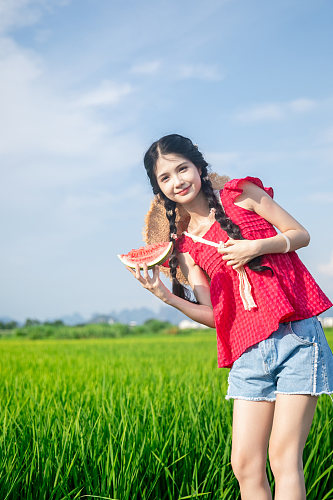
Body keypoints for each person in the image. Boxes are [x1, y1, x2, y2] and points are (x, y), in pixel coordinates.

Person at [125, 133, 333, 500]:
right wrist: (165, 297)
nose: (178, 181)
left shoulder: (242, 193)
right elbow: (214, 315)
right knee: (245, 465)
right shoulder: (186, 247)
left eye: (182, 169)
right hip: (248, 355)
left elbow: (300, 234)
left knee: (283, 457)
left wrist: (258, 246)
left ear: (199, 168)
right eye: (165, 178)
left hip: (297, 338)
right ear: (159, 190)